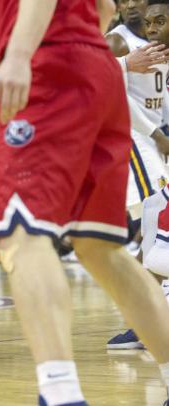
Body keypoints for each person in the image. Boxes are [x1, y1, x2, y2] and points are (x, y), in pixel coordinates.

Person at [0, 0, 169, 405]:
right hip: (97, 69)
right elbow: (103, 7)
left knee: (22, 235)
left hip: (48, 66)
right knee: (102, 249)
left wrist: (21, 55)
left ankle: (60, 393)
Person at [106, 0, 169, 349]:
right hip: (129, 140)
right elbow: (92, 81)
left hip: (151, 141)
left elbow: (159, 99)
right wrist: (158, 135)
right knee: (158, 227)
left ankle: (145, 320)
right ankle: (143, 320)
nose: (130, 5)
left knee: (155, 234)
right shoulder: (116, 41)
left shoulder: (158, 38)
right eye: (123, 1)